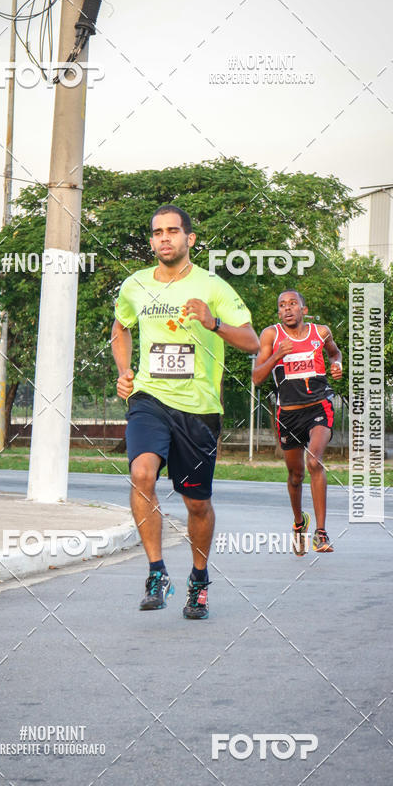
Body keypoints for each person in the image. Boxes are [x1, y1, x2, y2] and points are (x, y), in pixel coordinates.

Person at [111, 205, 259, 619]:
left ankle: (198, 579)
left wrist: (213, 324)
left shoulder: (213, 286)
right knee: (141, 473)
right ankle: (157, 572)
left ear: (189, 239)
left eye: (173, 231)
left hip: (198, 410)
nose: (164, 238)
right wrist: (125, 372)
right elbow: (120, 327)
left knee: (196, 503)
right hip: (149, 399)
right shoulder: (136, 285)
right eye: (157, 232)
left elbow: (250, 341)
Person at [252, 289, 342, 555]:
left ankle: (321, 533)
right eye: (282, 305)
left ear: (304, 309)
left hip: (319, 407)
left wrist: (337, 364)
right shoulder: (272, 336)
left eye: (293, 304)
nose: (288, 308)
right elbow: (257, 377)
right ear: (279, 312)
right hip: (288, 414)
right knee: (295, 476)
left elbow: (335, 353)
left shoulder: (321, 332)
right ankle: (299, 523)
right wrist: (276, 356)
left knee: (314, 461)